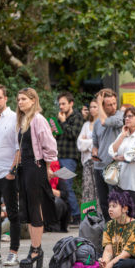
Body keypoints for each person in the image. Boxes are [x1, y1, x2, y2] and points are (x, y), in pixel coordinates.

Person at [16, 88, 58, 268]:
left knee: (35, 208)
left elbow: (49, 144)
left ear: (33, 100)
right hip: (24, 168)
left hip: (36, 166)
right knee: (27, 208)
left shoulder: (38, 119)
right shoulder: (22, 119)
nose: (20, 102)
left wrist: (49, 167)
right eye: (18, 99)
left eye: (24, 99)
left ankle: (36, 250)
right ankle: (35, 249)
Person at [0, 84, 20, 266]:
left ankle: (13, 251)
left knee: (12, 214)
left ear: (6, 99)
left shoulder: (13, 118)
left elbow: (19, 148)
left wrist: (12, 171)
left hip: (7, 173)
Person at [99, 191, 135, 268]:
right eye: (109, 206)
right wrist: (104, 263)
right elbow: (108, 250)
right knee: (95, 260)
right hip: (115, 260)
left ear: (125, 209)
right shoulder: (109, 225)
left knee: (122, 264)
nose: (110, 209)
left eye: (114, 206)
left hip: (133, 261)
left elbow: (125, 255)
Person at [92, 89, 124, 221]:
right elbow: (95, 143)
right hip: (99, 165)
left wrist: (99, 103)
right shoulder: (97, 122)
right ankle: (108, 228)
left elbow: (106, 122)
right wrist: (94, 151)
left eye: (114, 103)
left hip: (113, 167)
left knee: (115, 201)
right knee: (104, 203)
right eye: (109, 104)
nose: (112, 107)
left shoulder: (120, 116)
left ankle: (118, 229)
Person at [56, 92, 83, 224]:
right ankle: (65, 217)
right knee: (60, 186)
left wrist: (63, 122)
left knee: (67, 185)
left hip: (69, 157)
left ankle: (76, 216)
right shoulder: (60, 117)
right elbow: (57, 136)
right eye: (60, 104)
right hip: (58, 156)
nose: (61, 106)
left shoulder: (77, 117)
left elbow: (73, 134)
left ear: (71, 103)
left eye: (63, 103)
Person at [77, 99, 100, 208]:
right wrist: (92, 143)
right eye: (90, 107)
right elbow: (80, 144)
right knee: (87, 189)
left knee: (98, 189)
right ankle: (87, 218)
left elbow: (101, 144)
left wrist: (88, 141)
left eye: (95, 107)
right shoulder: (86, 125)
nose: (92, 109)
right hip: (87, 161)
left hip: (99, 161)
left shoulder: (103, 124)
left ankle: (100, 218)